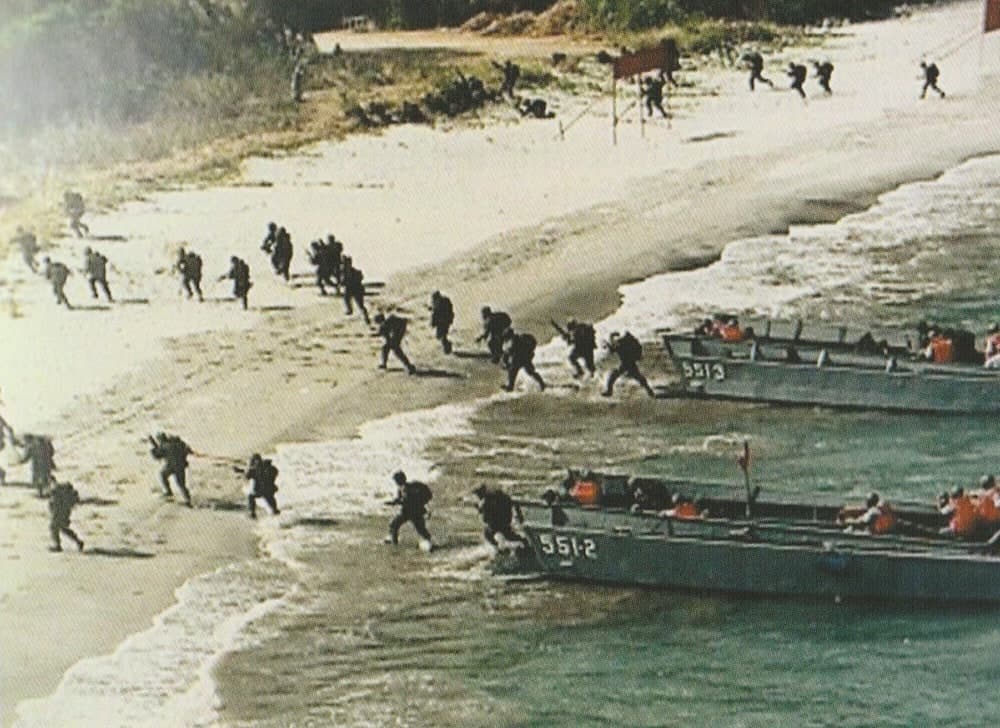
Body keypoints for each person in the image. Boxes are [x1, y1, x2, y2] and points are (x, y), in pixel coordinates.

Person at [385, 470, 433, 549]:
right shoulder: (404, 488)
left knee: (419, 528)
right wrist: (393, 502)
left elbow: (406, 500)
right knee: (395, 524)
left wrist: (396, 502)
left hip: (414, 512)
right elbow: (401, 499)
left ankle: (427, 542)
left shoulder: (408, 489)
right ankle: (393, 539)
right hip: (409, 512)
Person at [603, 331, 655, 398]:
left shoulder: (621, 343)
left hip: (626, 364)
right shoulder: (625, 342)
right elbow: (614, 348)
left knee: (613, 376)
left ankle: (609, 391)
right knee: (638, 377)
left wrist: (608, 341)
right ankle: (649, 391)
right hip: (629, 363)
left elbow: (612, 350)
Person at [473, 484, 525, 549]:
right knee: (509, 535)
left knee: (487, 534)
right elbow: (514, 503)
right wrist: (520, 517)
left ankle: (499, 548)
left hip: (496, 526)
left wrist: (479, 510)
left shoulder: (485, 503)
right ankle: (522, 543)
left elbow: (485, 519)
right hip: (506, 523)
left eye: (477, 496)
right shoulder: (501, 496)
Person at [148, 432, 193, 507]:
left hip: (172, 466)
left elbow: (157, 456)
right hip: (181, 466)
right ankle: (187, 500)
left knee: (163, 475)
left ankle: (169, 492)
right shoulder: (178, 443)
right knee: (181, 484)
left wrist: (153, 447)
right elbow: (187, 450)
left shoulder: (164, 446)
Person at [239, 453, 281, 519]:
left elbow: (247, 476)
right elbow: (275, 473)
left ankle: (252, 513)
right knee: (270, 498)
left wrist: (246, 470)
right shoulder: (270, 467)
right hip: (270, 489)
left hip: (259, 490)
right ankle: (275, 510)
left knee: (250, 496)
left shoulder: (254, 469)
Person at [48, 481, 84, 552]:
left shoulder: (57, 493)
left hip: (60, 513)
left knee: (55, 528)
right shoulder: (61, 493)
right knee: (63, 528)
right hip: (65, 513)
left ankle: (58, 546)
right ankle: (78, 542)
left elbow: (54, 505)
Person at [341, 256, 370, 324]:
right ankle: (350, 310)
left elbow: (360, 278)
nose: (344, 265)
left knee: (360, 305)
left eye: (345, 263)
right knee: (347, 299)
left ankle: (365, 317)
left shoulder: (353, 272)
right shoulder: (345, 271)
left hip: (356, 289)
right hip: (352, 289)